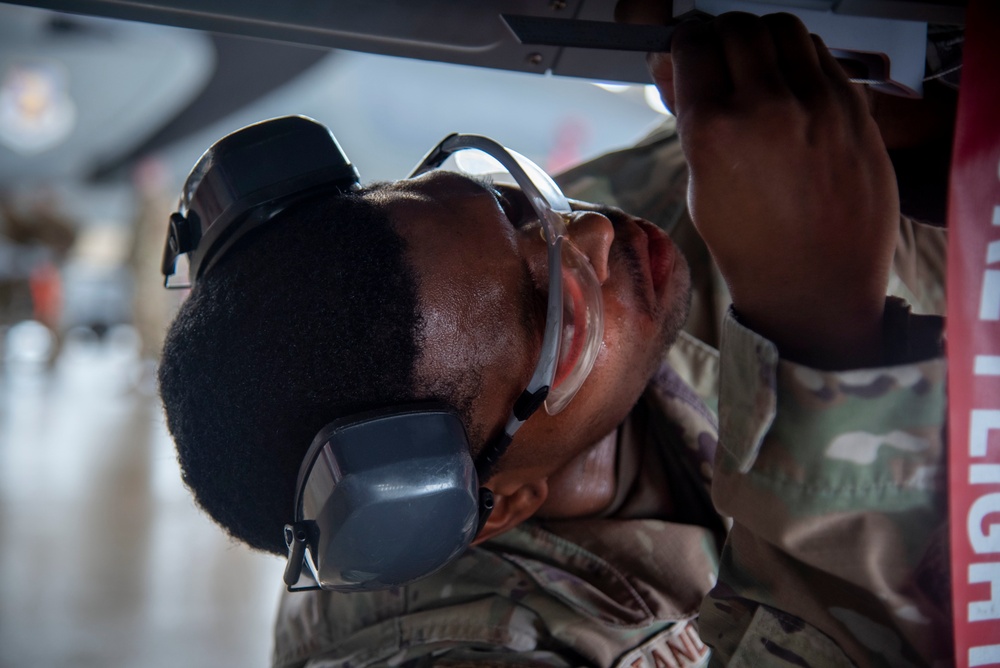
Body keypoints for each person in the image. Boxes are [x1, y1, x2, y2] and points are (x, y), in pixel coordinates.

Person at [157, 12, 949, 668]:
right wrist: (822, 337)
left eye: (510, 204)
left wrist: (896, 145)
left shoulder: (624, 245)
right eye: (554, 314)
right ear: (499, 505)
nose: (597, 233)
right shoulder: (460, 652)